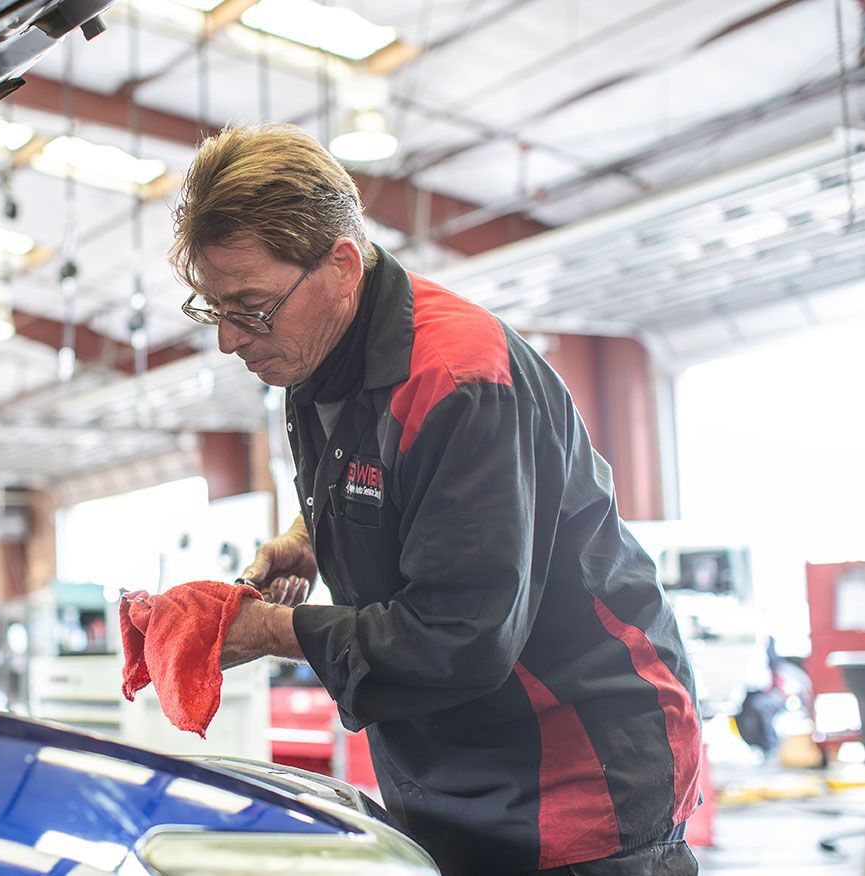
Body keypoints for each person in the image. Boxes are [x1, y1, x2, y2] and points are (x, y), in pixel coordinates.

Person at [170, 123, 701, 876]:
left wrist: (268, 631)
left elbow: (460, 637)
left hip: (574, 768)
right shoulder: (313, 356)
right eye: (211, 307)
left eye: (249, 306)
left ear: (342, 266)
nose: (229, 338)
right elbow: (388, 485)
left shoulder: (457, 381)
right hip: (452, 764)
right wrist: (309, 535)